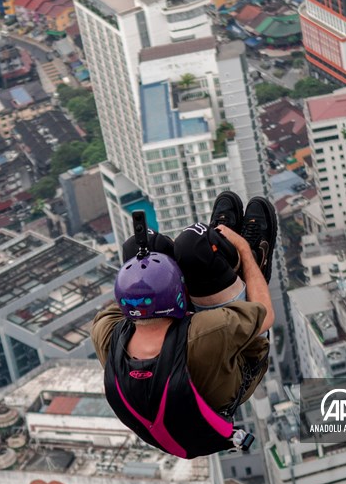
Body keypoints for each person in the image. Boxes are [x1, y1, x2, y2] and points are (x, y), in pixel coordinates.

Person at [91, 193, 278, 459]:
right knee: (194, 249)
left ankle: (212, 254)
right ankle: (233, 263)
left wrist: (143, 267)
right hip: (228, 380)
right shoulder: (207, 331)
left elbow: (131, 289)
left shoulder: (107, 331)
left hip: (180, 392)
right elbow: (267, 315)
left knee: (140, 247)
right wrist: (245, 251)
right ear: (182, 296)